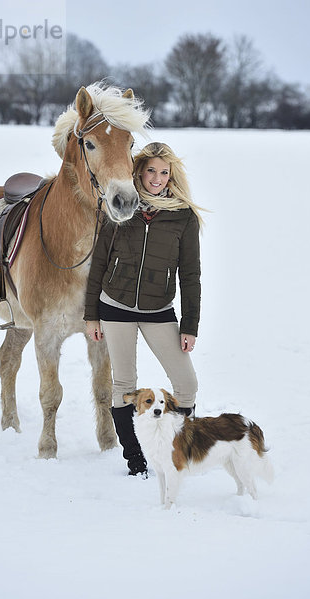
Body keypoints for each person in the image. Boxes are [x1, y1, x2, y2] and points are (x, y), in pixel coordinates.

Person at [84, 142, 203, 476]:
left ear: (171, 176)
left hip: (158, 309)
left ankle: (174, 449)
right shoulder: (120, 209)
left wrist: (189, 325)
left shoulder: (183, 217)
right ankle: (136, 460)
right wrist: (91, 314)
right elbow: (99, 265)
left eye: (164, 172)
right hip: (115, 306)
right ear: (138, 171)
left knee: (186, 384)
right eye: (151, 170)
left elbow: (190, 274)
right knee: (124, 384)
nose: (157, 178)